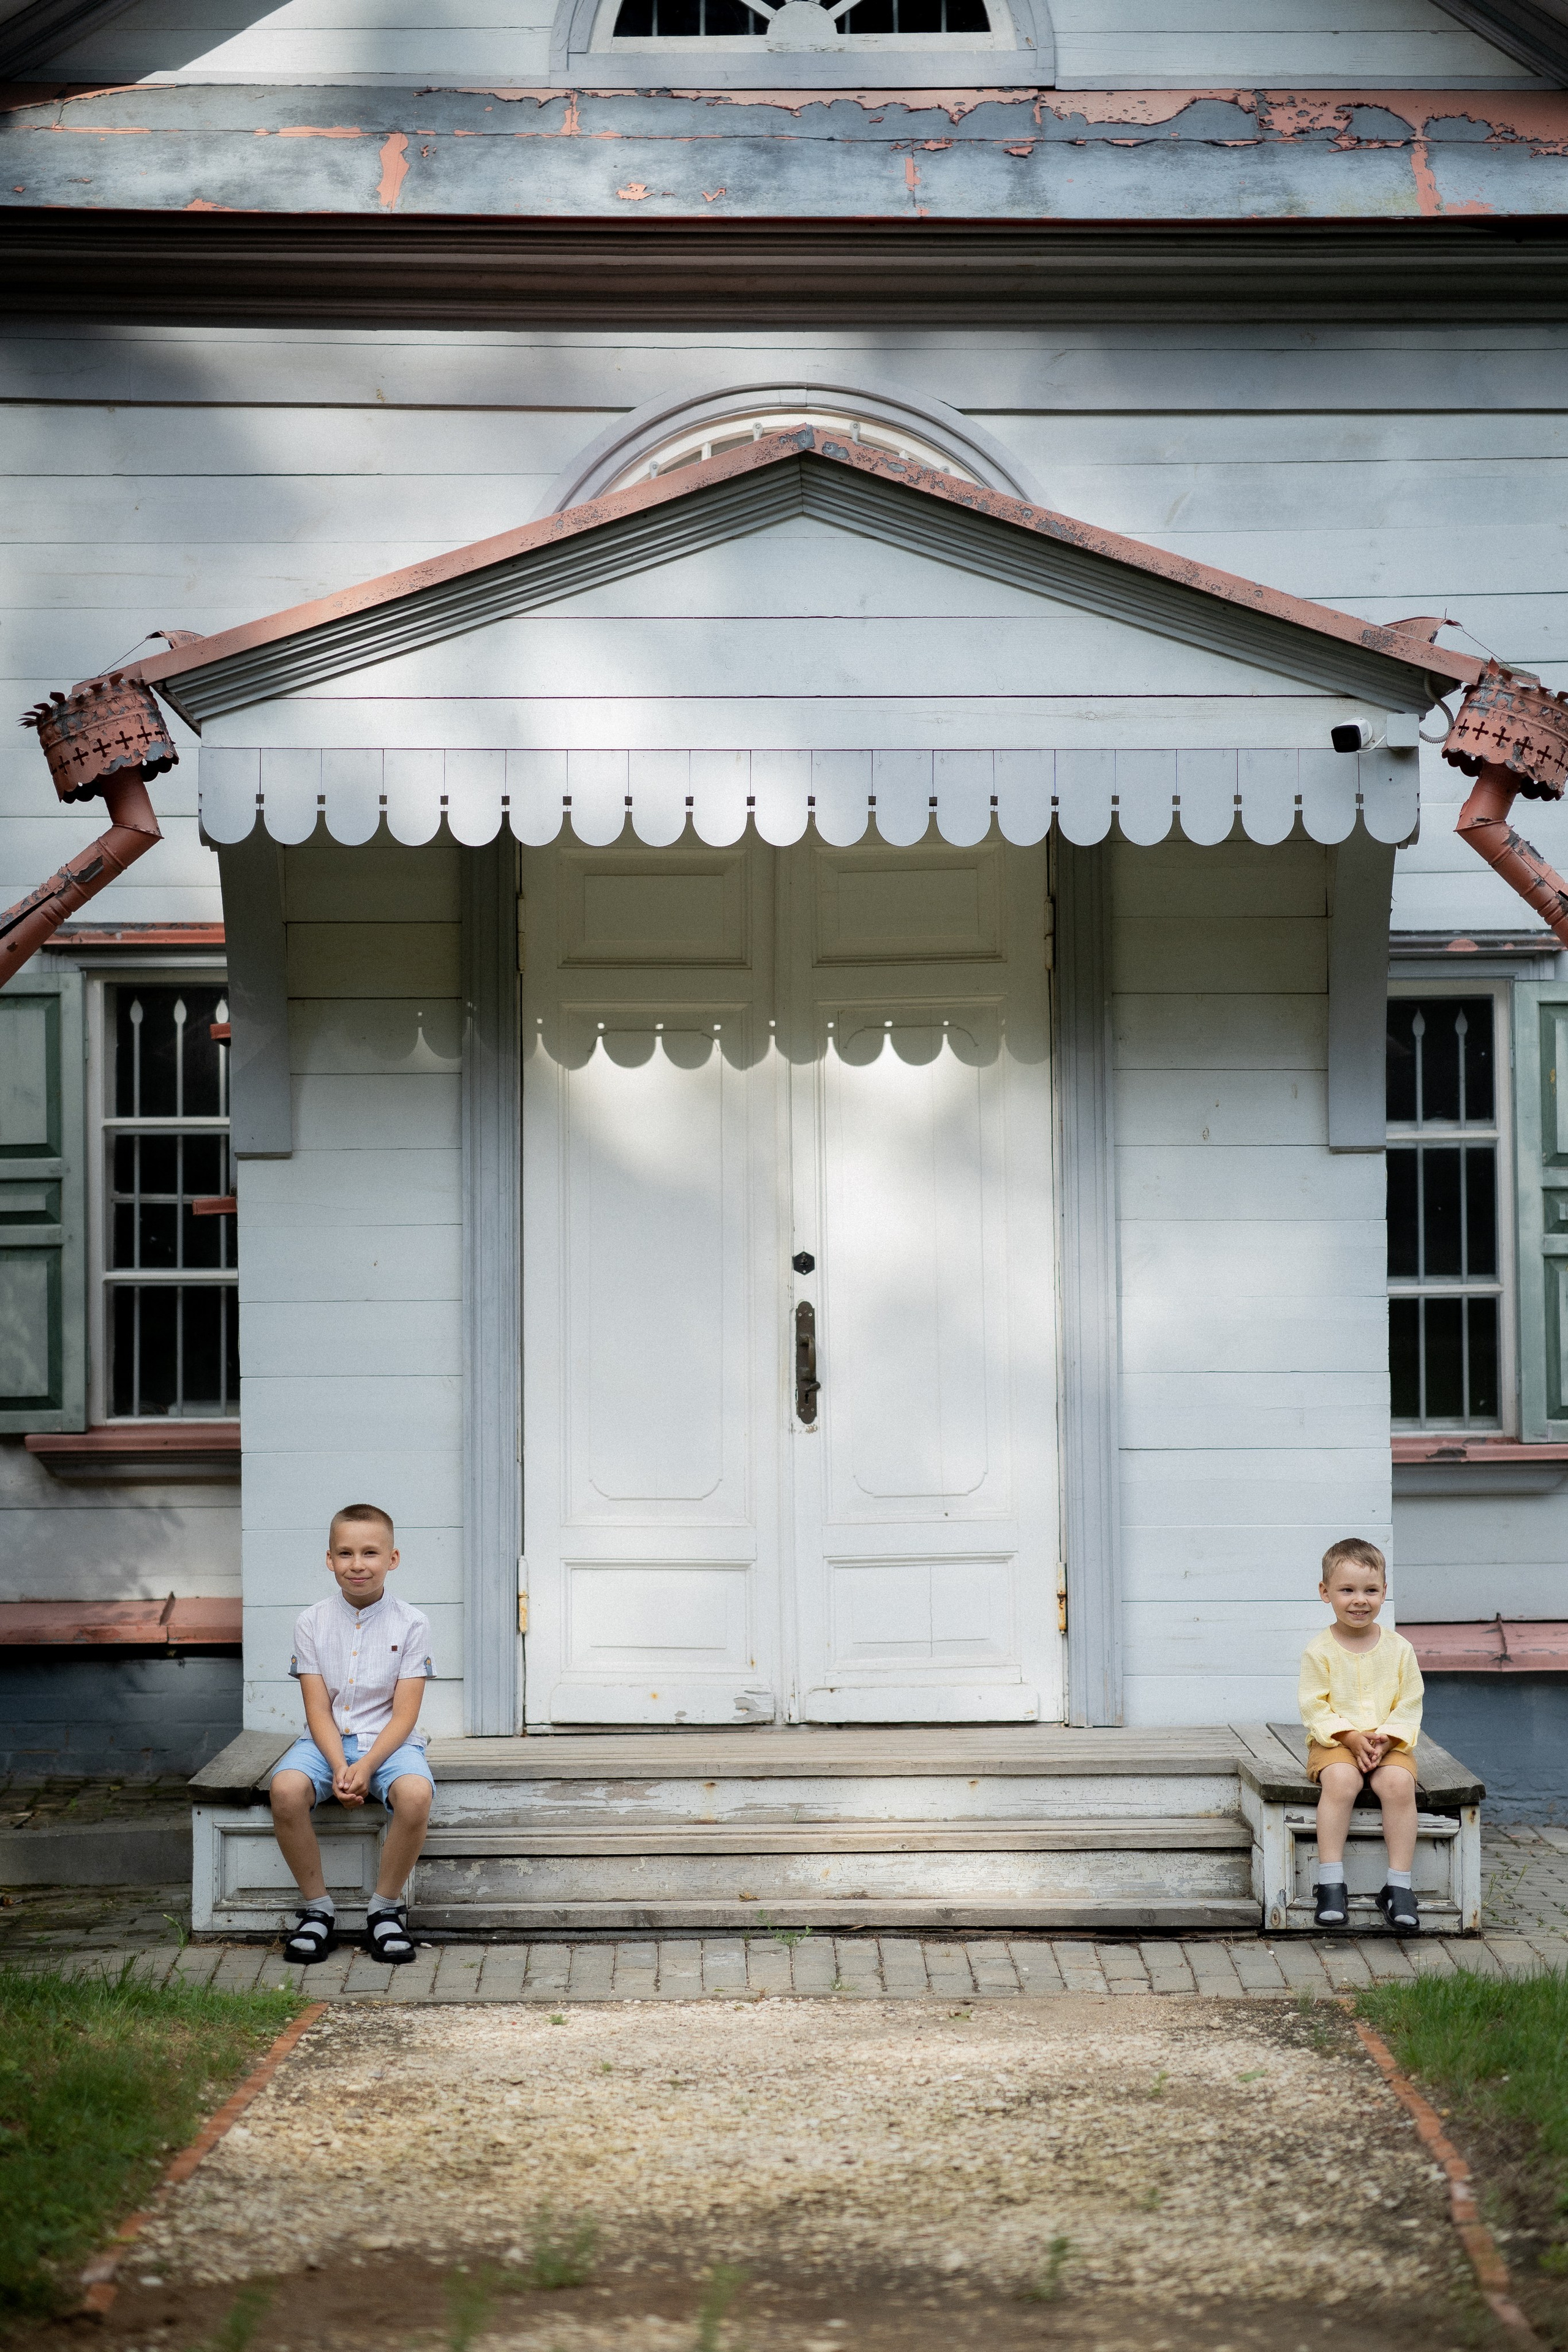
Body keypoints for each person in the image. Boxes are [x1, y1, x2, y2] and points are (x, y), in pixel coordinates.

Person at [268, 1502, 435, 1966]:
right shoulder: (312, 1622)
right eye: (345, 1553)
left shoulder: (413, 1623)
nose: (357, 1564)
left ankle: (384, 1910)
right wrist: (341, 1766)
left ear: (392, 1559)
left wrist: (366, 1766)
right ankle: (318, 1910)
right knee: (285, 1790)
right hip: (326, 1743)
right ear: (329, 1560)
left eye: (370, 1553)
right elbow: (316, 1707)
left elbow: (404, 1715)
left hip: (389, 1744)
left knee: (417, 1795)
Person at [1298, 1536, 1425, 1935]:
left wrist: (1386, 1738)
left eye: (1371, 1590)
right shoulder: (1319, 1651)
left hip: (1389, 1743)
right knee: (1342, 1780)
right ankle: (1331, 1882)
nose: (1360, 1600)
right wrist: (1349, 1737)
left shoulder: (1400, 1649)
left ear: (1384, 1592)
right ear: (1325, 1593)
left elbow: (1410, 1701)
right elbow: (1314, 1705)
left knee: (1399, 1784)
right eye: (1347, 1590)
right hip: (1335, 1742)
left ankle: (1399, 1887)